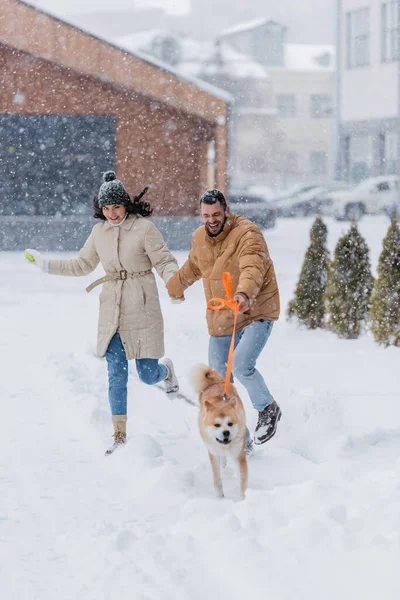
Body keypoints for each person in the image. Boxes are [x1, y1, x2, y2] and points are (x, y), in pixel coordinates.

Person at [25, 171, 179, 455]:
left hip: (143, 306)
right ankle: (119, 435)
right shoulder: (99, 233)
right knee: (116, 374)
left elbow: (165, 261)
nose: (112, 214)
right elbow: (81, 265)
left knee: (146, 374)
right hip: (113, 310)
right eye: (106, 209)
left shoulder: (144, 228)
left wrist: (175, 284)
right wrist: (46, 265)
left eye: (116, 207)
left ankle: (166, 371)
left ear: (125, 204)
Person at [166, 188, 281, 452]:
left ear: (227, 211)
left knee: (241, 365)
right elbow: (195, 266)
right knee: (218, 384)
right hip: (222, 318)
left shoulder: (248, 234)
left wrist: (243, 293)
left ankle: (268, 409)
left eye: (217, 214)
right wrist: (176, 286)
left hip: (253, 311)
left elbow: (253, 266)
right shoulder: (200, 237)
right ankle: (242, 442)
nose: (212, 220)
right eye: (206, 215)